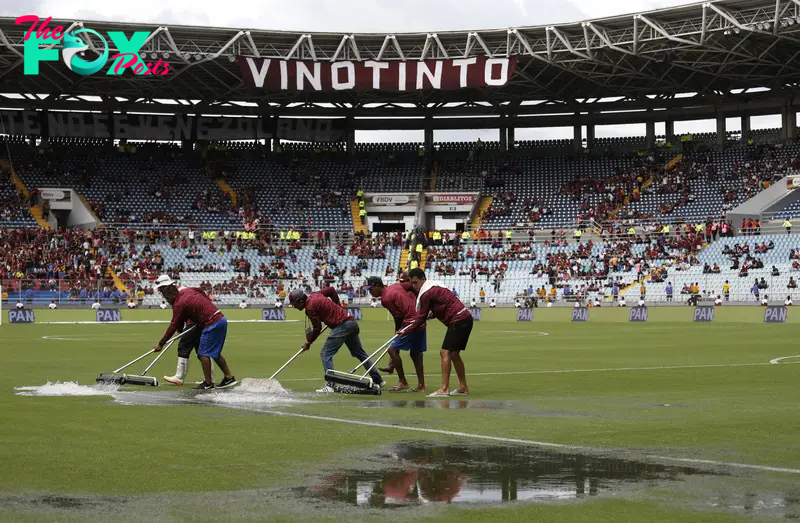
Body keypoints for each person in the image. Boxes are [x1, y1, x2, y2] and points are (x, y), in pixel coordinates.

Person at [289, 287, 383, 393]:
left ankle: (330, 385)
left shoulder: (310, 307)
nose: (294, 307)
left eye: (294, 305)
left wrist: (308, 342)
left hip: (342, 326)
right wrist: (337, 305)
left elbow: (317, 328)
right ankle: (378, 380)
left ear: (300, 301)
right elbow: (331, 290)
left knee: (325, 354)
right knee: (359, 353)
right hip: (351, 322)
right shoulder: (316, 294)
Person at [153, 275, 236, 390]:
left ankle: (208, 383)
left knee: (203, 354)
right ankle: (229, 377)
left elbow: (174, 324)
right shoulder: (187, 290)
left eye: (165, 296)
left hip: (211, 323)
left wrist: (161, 343)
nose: (166, 300)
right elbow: (200, 292)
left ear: (169, 294)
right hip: (220, 318)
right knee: (214, 353)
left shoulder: (178, 303)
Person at [402, 268, 473, 398]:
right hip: (465, 318)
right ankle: (463, 387)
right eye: (411, 283)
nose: (414, 286)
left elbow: (421, 318)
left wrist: (405, 330)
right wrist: (431, 315)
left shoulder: (426, 293)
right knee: (454, 354)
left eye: (415, 282)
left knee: (444, 352)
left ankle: (444, 389)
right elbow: (440, 307)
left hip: (458, 319)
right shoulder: (436, 286)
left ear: (423, 279)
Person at [365, 276, 426, 393]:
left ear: (378, 286)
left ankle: (403, 382)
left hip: (410, 322)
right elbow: (410, 285)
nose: (370, 292)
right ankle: (421, 386)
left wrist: (398, 330)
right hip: (419, 320)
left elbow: (397, 316)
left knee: (392, 350)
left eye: (371, 289)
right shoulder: (396, 286)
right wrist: (417, 301)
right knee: (416, 354)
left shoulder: (385, 299)